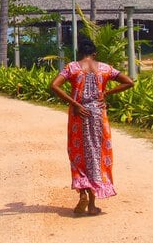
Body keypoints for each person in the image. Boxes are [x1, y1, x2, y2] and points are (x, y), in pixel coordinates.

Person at [49, 39, 134, 215]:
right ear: (94, 53)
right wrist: (106, 93)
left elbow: (54, 85)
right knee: (96, 155)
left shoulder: (72, 67)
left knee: (78, 154)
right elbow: (129, 82)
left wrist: (75, 104)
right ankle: (92, 205)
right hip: (98, 116)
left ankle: (83, 193)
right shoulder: (105, 68)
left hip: (78, 116)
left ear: (80, 52)